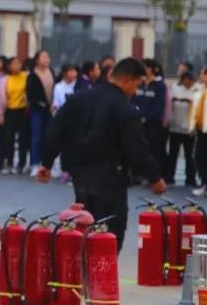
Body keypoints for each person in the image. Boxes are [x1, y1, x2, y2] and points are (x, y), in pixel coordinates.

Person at [38, 58, 167, 251]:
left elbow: (55, 130)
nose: (135, 91)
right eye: (137, 84)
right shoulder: (126, 110)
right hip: (111, 178)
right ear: (128, 80)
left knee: (83, 226)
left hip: (80, 176)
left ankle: (82, 266)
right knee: (109, 234)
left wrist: (46, 163)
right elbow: (137, 149)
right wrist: (155, 178)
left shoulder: (79, 99)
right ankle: (102, 268)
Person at [132, 59, 168, 183]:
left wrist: (146, 117)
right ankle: (138, 174)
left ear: (150, 69)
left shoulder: (159, 85)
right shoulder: (139, 83)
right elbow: (134, 100)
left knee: (153, 150)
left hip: (153, 123)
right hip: (138, 122)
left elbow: (159, 105)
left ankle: (154, 176)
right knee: (138, 148)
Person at [0, 56, 29, 174]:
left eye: (18, 63)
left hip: (23, 111)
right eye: (14, 64)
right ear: (9, 66)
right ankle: (9, 163)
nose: (16, 66)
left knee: (23, 138)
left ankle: (21, 164)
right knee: (8, 138)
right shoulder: (4, 80)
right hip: (9, 111)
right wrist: (0, 114)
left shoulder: (26, 76)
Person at [166, 71, 198, 187]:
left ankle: (190, 179)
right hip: (175, 127)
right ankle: (169, 177)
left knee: (189, 155)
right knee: (172, 154)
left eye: (190, 81)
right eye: (185, 80)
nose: (188, 83)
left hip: (189, 129)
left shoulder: (196, 90)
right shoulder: (175, 88)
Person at [26, 50, 55, 176]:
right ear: (37, 60)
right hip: (36, 110)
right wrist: (41, 103)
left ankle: (45, 164)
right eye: (44, 57)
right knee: (36, 137)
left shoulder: (51, 72)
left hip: (49, 110)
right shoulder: (32, 74)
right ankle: (34, 164)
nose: (47, 59)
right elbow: (31, 94)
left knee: (47, 137)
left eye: (48, 57)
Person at [192, 67, 207, 197]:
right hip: (201, 129)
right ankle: (204, 183)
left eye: (203, 75)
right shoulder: (200, 90)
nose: (201, 77)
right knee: (199, 156)